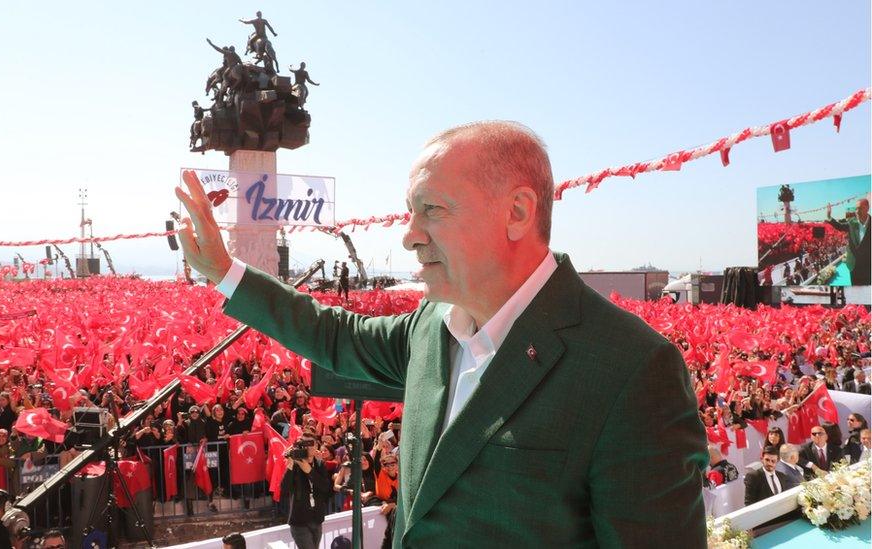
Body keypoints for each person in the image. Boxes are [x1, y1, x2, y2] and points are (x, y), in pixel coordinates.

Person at [175, 120, 708, 547]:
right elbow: (333, 334)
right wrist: (226, 270)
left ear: (517, 212)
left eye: (432, 209)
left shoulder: (631, 370)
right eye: (412, 211)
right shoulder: (431, 328)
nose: (409, 235)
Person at [280, 434, 333, 549]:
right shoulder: (295, 464)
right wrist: (290, 465)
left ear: (317, 445)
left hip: (317, 519)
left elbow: (325, 488)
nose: (308, 447)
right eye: (304, 444)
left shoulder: (319, 464)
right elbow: (284, 489)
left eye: (311, 444)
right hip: (299, 521)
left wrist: (309, 471)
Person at [826, 198, 870, 285]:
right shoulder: (852, 222)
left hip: (868, 266)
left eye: (860, 208)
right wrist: (829, 217)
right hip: (853, 265)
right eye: (856, 208)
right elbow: (839, 226)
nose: (857, 211)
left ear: (867, 208)